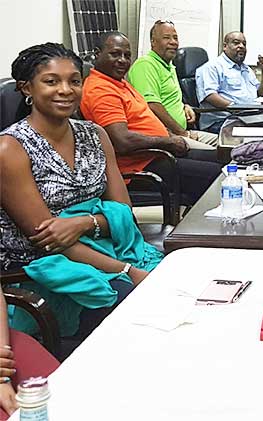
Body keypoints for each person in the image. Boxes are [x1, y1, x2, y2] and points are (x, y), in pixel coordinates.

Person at [0, 43, 163, 345]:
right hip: (47, 271)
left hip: (108, 250)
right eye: (51, 81)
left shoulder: (95, 135)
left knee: (182, 286)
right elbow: (51, 242)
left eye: (74, 81)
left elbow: (125, 213)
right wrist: (127, 270)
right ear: (27, 88)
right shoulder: (10, 149)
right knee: (147, 310)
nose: (65, 90)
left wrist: (84, 223)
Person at [81, 32, 221, 206]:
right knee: (219, 175)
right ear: (97, 53)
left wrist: (169, 137)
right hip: (141, 167)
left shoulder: (118, 83)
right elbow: (122, 141)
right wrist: (167, 142)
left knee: (224, 159)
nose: (122, 60)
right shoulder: (100, 90)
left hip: (159, 153)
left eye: (127, 55)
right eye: (115, 54)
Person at [128, 20, 218, 147]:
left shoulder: (169, 66)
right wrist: (182, 133)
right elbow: (152, 105)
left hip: (182, 133)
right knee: (219, 154)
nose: (173, 42)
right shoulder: (145, 65)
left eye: (175, 38)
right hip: (165, 136)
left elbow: (168, 98)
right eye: (166, 38)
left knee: (229, 143)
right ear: (153, 42)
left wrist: (185, 106)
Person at [195, 31, 263, 133]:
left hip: (249, 117)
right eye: (236, 43)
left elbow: (262, 94)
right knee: (261, 135)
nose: (241, 46)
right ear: (225, 46)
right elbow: (210, 96)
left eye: (244, 44)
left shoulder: (246, 69)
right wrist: (238, 109)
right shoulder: (212, 67)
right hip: (223, 121)